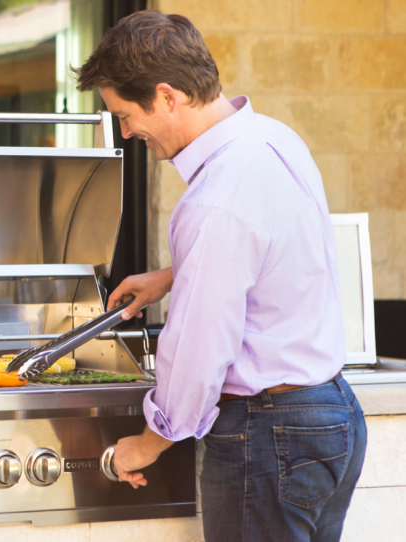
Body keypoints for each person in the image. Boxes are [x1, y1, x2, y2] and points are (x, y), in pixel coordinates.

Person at [75, 11, 366, 542]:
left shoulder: (213, 201)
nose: (124, 131)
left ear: (167, 97)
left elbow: (198, 354)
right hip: (333, 415)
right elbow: (275, 251)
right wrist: (176, 274)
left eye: (123, 114)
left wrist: (144, 445)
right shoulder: (275, 140)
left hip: (267, 435)